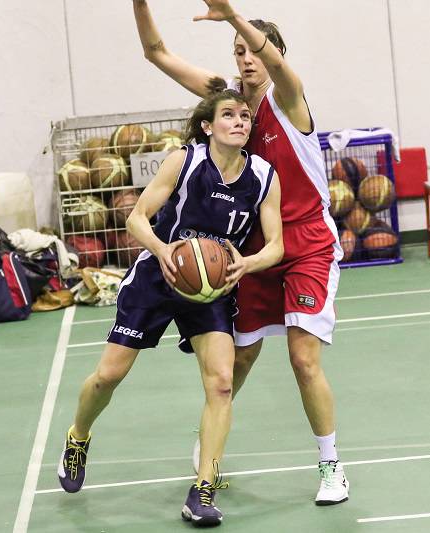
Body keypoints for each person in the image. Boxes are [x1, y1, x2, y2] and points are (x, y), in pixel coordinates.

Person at [133, 0, 349, 505]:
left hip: (306, 246)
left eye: (252, 49)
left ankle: (331, 464)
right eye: (237, 52)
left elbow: (273, 64)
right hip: (249, 251)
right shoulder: (227, 104)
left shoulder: (290, 98)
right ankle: (210, 445)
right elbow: (156, 52)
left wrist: (232, 15)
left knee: (303, 359)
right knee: (242, 357)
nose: (246, 59)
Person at [58, 89, 283, 527]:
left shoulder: (264, 175)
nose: (239, 122)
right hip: (158, 276)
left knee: (221, 383)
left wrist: (247, 262)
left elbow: (276, 244)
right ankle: (78, 436)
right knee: (108, 377)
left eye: (244, 116)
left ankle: (203, 489)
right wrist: (163, 250)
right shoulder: (185, 160)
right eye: (228, 115)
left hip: (212, 286)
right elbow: (137, 217)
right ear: (207, 125)